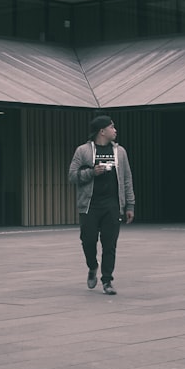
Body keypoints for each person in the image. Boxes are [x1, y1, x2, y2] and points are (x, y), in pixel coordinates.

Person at [68, 115, 135, 295]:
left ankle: (107, 281)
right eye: (112, 127)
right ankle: (92, 266)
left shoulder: (120, 151)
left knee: (109, 244)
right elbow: (72, 175)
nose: (115, 130)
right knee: (88, 241)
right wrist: (91, 172)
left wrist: (130, 205)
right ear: (102, 131)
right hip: (90, 205)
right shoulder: (83, 151)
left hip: (112, 205)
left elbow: (127, 179)